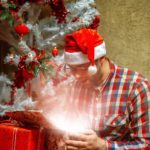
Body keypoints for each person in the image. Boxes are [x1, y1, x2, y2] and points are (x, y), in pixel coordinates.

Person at [61, 28, 150, 150]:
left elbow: (146, 144)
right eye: (71, 68)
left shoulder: (135, 87)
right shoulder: (73, 86)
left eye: (82, 68)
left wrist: (104, 146)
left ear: (101, 59)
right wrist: (65, 139)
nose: (76, 75)